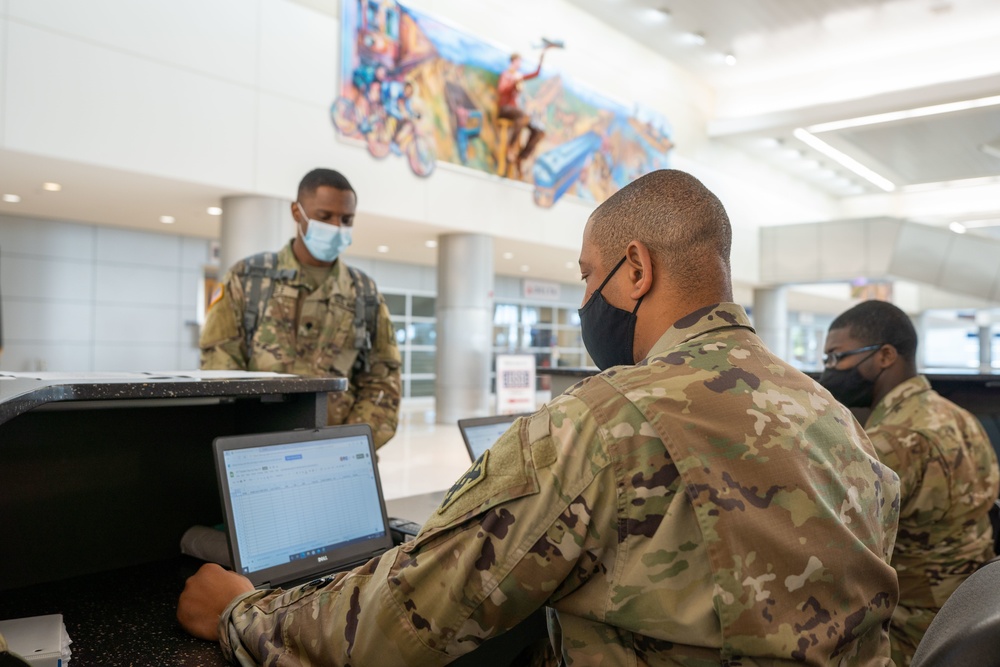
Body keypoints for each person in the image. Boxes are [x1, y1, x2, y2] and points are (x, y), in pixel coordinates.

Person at [179, 169, 900, 665]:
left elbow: (403, 619)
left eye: (589, 274)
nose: (586, 295)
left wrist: (241, 613)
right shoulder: (835, 416)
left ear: (636, 268)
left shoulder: (600, 424)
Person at [819, 300, 999, 665]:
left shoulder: (890, 441)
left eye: (838, 357)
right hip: (968, 609)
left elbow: (837, 548)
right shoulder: (960, 417)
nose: (830, 371)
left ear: (885, 355)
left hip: (911, 628)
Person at [199, 168, 402, 448]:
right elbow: (219, 369)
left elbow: (384, 381)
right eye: (325, 216)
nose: (337, 227)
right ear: (297, 212)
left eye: (346, 219)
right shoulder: (247, 279)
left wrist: (348, 444)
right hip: (258, 451)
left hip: (342, 455)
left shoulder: (364, 292)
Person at [497, 47, 551, 178]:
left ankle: (521, 157)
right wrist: (513, 81)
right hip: (506, 109)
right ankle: (511, 147)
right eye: (518, 61)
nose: (520, 64)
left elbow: (535, 74)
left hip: (518, 113)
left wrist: (541, 58)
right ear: (514, 61)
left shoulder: (518, 76)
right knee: (523, 116)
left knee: (539, 131)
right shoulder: (507, 75)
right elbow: (502, 90)